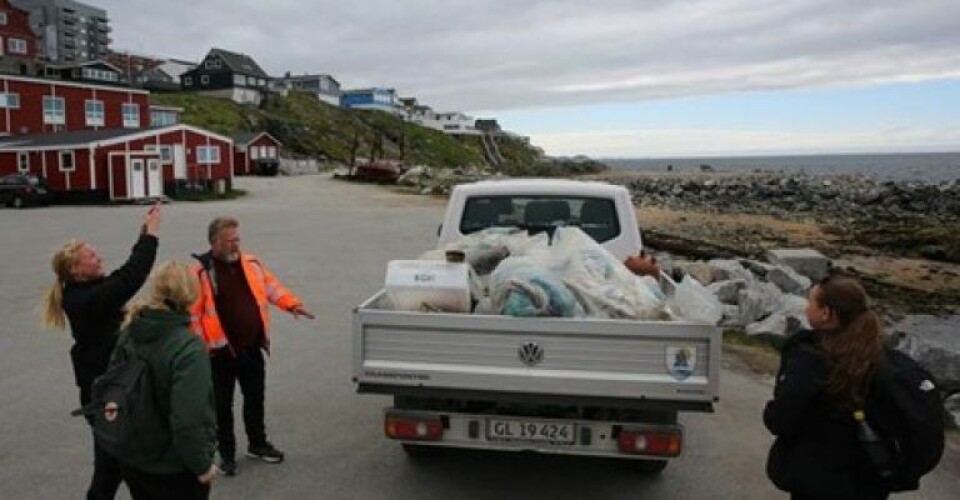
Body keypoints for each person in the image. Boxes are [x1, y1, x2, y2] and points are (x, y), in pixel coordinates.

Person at [43, 203, 161, 500]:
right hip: (110, 398)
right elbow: (130, 277)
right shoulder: (86, 300)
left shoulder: (86, 292)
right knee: (119, 468)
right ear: (75, 270)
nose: (99, 258)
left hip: (110, 395)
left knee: (115, 468)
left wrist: (143, 232)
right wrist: (151, 237)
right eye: (92, 257)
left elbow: (120, 278)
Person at [190, 216, 314, 476]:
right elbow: (193, 316)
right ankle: (226, 454)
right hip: (218, 353)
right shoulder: (200, 272)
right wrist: (202, 349)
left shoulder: (252, 263)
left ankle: (257, 444)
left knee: (255, 399)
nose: (236, 245)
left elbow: (271, 287)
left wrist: (292, 304)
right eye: (229, 240)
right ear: (214, 242)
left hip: (251, 347)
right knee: (222, 407)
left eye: (238, 239)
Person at [763, 274, 889, 500]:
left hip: (819, 481)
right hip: (869, 482)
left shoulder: (810, 358)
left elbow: (782, 419)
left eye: (811, 302)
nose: (806, 308)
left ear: (826, 314)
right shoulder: (879, 356)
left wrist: (771, 412)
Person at [115, 261, 218, 499]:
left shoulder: (130, 330)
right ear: (191, 293)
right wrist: (201, 465)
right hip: (171, 467)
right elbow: (187, 420)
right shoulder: (188, 347)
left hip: (134, 457)